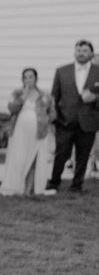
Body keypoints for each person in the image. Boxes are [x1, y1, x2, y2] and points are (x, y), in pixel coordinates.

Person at [45, 39, 99, 194]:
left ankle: (77, 186)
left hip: (88, 121)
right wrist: (53, 117)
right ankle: (54, 182)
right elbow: (54, 96)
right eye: (78, 50)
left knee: (83, 155)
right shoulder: (62, 70)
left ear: (91, 53)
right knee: (61, 153)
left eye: (85, 51)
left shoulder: (98, 71)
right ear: (74, 52)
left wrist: (95, 98)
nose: (81, 53)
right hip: (64, 120)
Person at [0, 68, 56, 197]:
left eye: (31, 76)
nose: (28, 79)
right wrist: (23, 97)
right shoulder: (17, 93)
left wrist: (46, 119)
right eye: (25, 77)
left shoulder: (44, 94)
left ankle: (29, 189)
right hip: (20, 132)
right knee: (19, 158)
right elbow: (12, 109)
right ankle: (16, 186)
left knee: (34, 158)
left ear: (36, 78)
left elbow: (52, 113)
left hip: (39, 132)